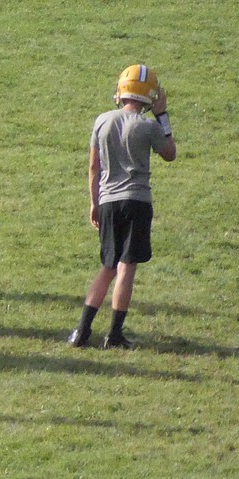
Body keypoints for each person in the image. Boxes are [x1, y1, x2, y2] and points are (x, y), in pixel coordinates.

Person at [69, 65, 176, 349]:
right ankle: (114, 334)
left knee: (107, 266)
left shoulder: (101, 120)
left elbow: (94, 166)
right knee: (126, 266)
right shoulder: (148, 126)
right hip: (136, 200)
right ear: (150, 96)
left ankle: (81, 330)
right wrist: (162, 115)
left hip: (106, 200)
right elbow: (170, 153)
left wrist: (94, 202)